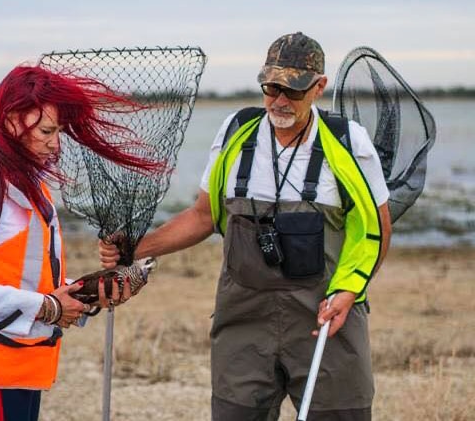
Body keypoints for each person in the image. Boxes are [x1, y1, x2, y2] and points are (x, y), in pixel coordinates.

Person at [99, 32, 392, 420]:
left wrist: (350, 291)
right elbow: (203, 216)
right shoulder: (236, 132)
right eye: (272, 87)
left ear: (319, 87)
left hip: (324, 315)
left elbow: (376, 229)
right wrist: (137, 249)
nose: (280, 100)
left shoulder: (348, 141)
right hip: (243, 320)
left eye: (295, 89)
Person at [0, 64, 161, 420]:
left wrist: (80, 293)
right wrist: (49, 307)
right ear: (10, 121)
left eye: (58, 131)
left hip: (22, 364)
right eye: (47, 131)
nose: (55, 143)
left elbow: (26, 278)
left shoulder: (23, 178)